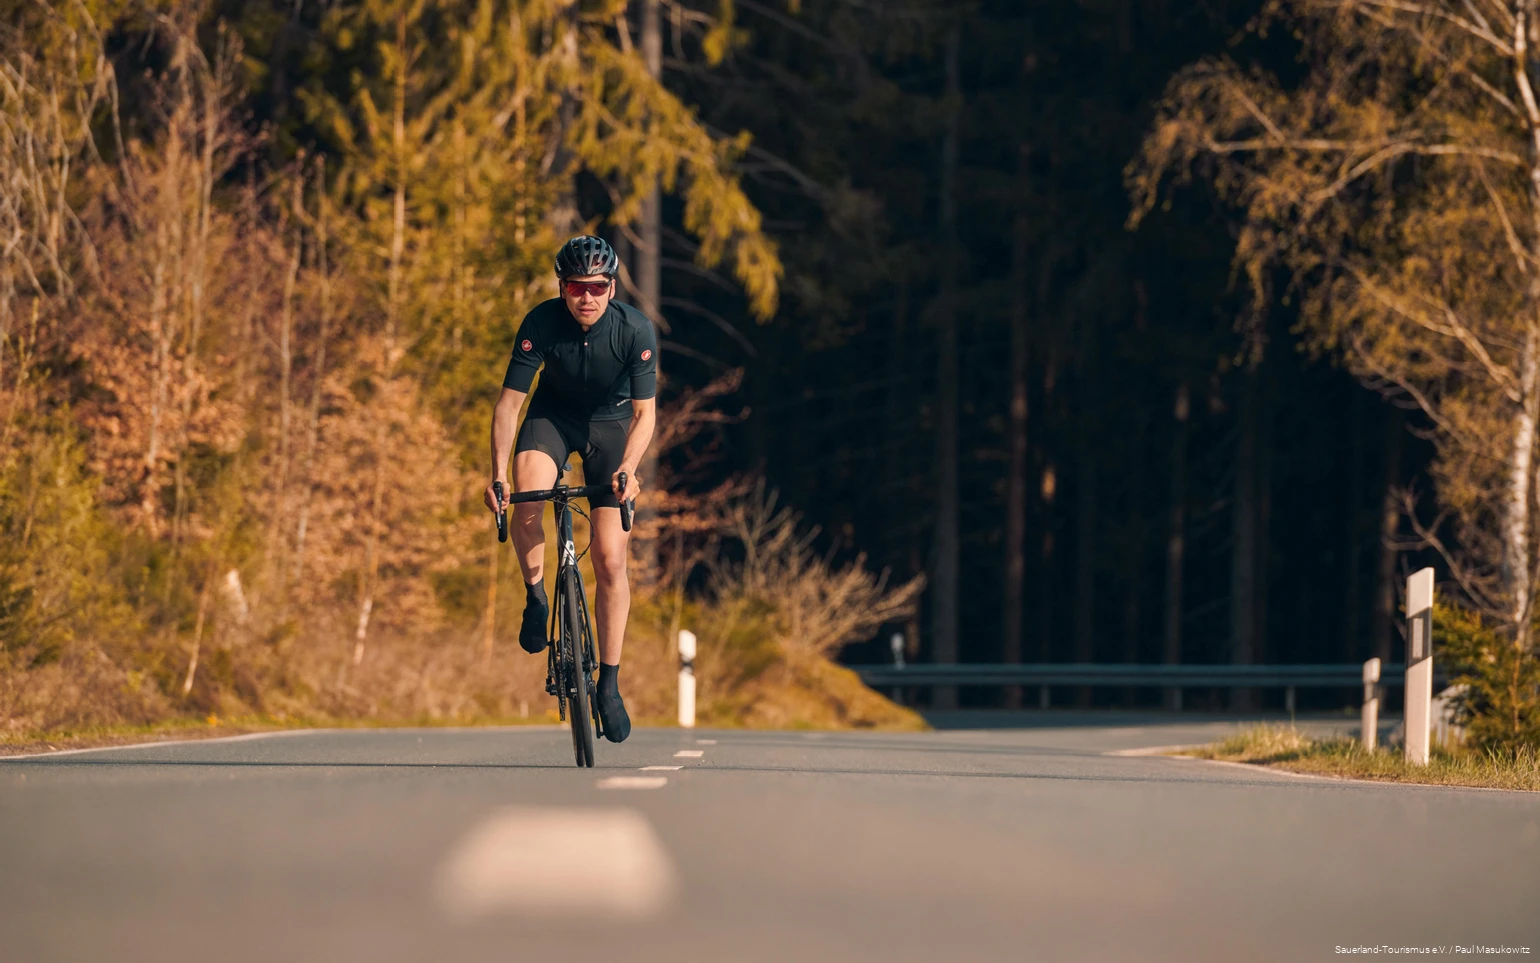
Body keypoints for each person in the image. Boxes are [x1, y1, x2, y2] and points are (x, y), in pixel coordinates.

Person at [483, 235, 657, 743]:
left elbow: (646, 414)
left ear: (612, 287)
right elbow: (509, 405)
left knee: (609, 558)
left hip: (611, 425)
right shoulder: (540, 324)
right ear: (562, 287)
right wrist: (496, 472)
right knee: (529, 495)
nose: (587, 297)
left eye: (598, 287)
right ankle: (537, 598)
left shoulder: (634, 329)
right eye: (577, 287)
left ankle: (609, 683)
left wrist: (629, 467)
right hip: (551, 419)